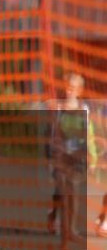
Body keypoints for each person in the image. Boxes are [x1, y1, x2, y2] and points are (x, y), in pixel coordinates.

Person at [46, 73, 98, 241]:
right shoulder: (59, 108)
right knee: (60, 191)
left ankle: (71, 230)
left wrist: (92, 157)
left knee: (74, 192)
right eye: (68, 87)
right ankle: (53, 216)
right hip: (60, 156)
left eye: (73, 88)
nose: (69, 91)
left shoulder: (84, 109)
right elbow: (53, 133)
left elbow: (89, 134)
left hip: (76, 157)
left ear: (79, 91)